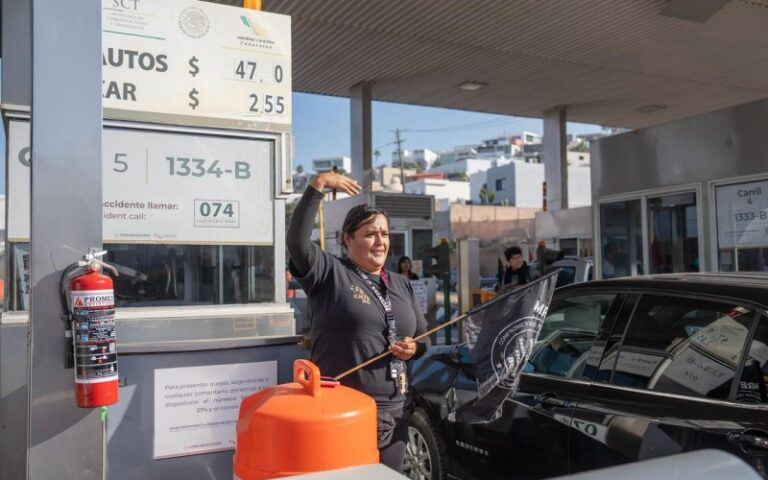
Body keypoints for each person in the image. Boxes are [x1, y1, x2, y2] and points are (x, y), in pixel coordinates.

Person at [286, 171, 429, 472]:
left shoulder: (401, 284)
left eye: (385, 234)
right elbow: (297, 242)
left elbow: (424, 337)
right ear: (348, 239)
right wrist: (318, 186)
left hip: (395, 412)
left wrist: (414, 348)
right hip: (342, 412)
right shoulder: (329, 273)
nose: (380, 241)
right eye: (370, 234)